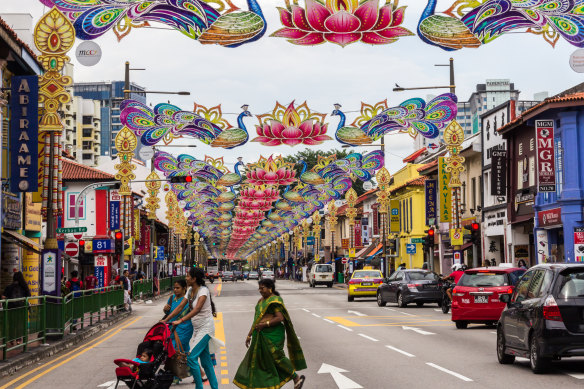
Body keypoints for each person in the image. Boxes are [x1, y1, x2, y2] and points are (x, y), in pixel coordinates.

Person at [233, 279, 306, 389]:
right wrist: (249, 334)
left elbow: (279, 318)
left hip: (273, 335)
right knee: (262, 362)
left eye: (262, 288)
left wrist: (265, 324)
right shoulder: (260, 301)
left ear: (270, 288)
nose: (260, 291)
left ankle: (296, 378)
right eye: (259, 288)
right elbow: (256, 319)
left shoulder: (274, 300)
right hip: (260, 335)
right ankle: (269, 384)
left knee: (277, 358)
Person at [170, 268, 221, 389]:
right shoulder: (190, 291)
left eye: (188, 276)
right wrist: (166, 320)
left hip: (206, 328)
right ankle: (215, 387)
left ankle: (199, 387)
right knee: (206, 362)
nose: (186, 278)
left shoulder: (203, 291)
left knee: (192, 357)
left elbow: (197, 309)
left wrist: (180, 320)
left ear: (194, 279)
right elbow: (180, 307)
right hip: (197, 329)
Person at [161, 280, 194, 384]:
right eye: (174, 288)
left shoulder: (188, 300)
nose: (175, 290)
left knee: (176, 350)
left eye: (178, 288)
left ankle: (176, 375)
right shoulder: (171, 298)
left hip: (185, 327)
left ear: (184, 288)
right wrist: (165, 310)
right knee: (183, 351)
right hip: (172, 328)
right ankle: (196, 373)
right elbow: (169, 312)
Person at [2, 271, 31, 345]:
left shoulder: (10, 287)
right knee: (19, 323)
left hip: (11, 308)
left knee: (11, 323)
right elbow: (29, 295)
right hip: (21, 308)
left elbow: (3, 296)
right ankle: (18, 340)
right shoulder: (24, 286)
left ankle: (11, 339)